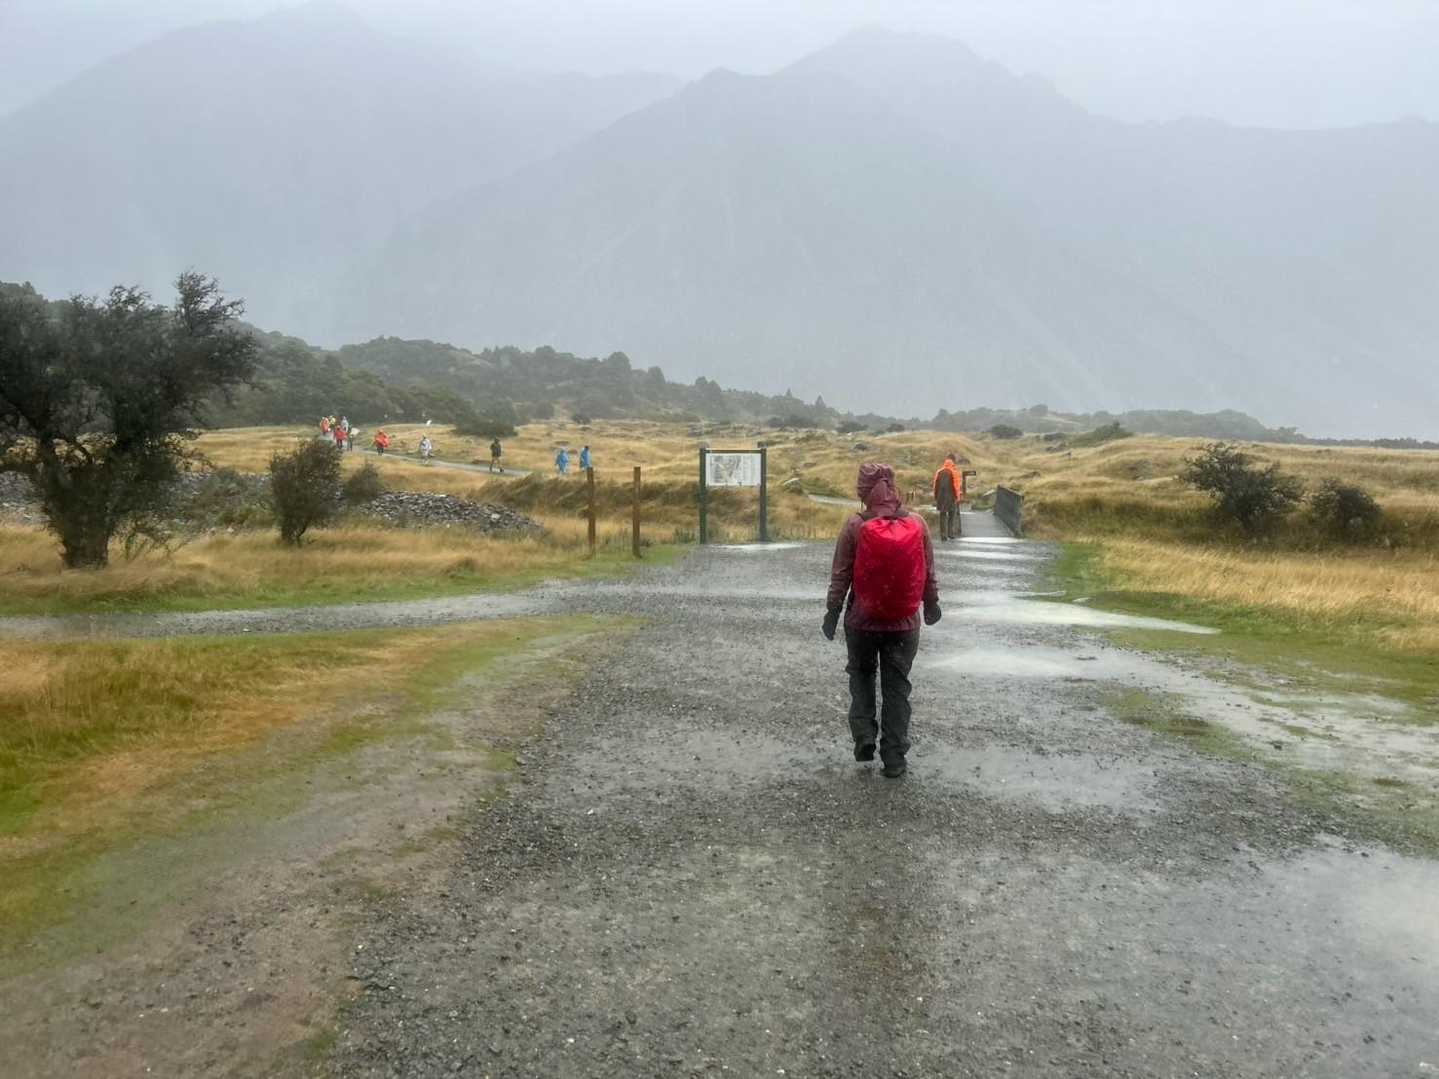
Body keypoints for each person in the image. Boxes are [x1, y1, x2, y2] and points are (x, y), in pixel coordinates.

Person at [823, 463, 941, 778]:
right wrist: (931, 604)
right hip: (904, 623)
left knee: (861, 676)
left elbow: (840, 575)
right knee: (897, 687)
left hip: (861, 622)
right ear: (893, 487)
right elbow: (928, 570)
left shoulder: (855, 525)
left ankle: (864, 735)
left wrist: (832, 612)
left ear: (863, 491)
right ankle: (894, 757)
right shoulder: (917, 523)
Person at [933, 454, 963, 542]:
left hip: (941, 497)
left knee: (942, 515)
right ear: (953, 461)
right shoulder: (954, 472)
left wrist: (936, 496)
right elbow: (956, 487)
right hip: (951, 497)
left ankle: (943, 535)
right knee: (951, 515)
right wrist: (957, 497)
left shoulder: (939, 472)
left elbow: (935, 486)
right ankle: (950, 534)